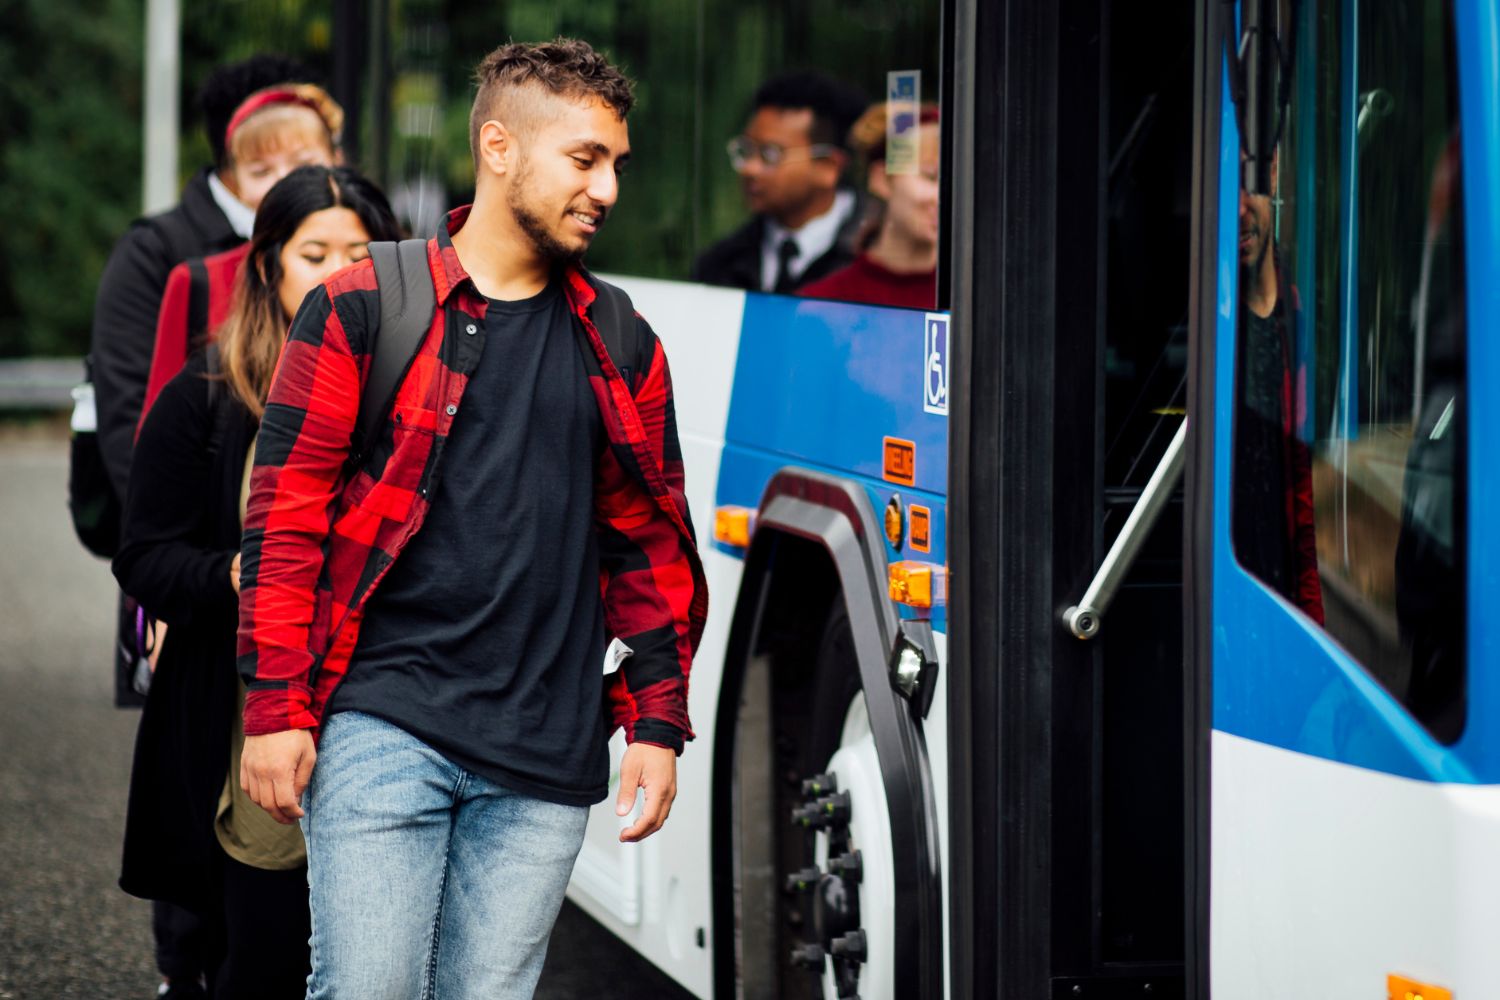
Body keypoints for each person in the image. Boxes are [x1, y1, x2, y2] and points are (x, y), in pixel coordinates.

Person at [236, 38, 708, 998]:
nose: (608, 187)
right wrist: (275, 709)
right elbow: (285, 524)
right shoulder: (365, 306)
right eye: (585, 158)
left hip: (545, 747)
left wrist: (657, 722)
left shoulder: (621, 339)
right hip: (384, 720)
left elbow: (648, 549)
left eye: (617, 162)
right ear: (499, 148)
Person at [114, 166, 403, 999]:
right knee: (265, 953)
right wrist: (236, 573)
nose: (343, 272)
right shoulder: (206, 394)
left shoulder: (427, 397)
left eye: (364, 252)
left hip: (390, 719)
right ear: (270, 266)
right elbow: (145, 558)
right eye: (317, 253)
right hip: (254, 731)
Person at [141, 84, 344, 422]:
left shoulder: (381, 264)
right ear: (235, 182)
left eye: (304, 162)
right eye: (260, 171)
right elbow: (159, 429)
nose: (283, 180)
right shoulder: (197, 281)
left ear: (337, 162)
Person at [1231, 153, 1324, 623]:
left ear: (1272, 173)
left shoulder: (1298, 312)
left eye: (1246, 182)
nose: (1239, 207)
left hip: (1282, 601)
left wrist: (1312, 617)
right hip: (1229, 594)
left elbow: (1302, 485)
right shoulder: (1214, 321)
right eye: (1225, 188)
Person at [691, 71, 867, 293]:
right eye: (746, 150)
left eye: (770, 154)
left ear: (827, 167)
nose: (750, 168)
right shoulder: (719, 264)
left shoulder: (872, 259)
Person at [799, 102, 941, 309]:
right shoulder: (824, 301)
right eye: (930, 176)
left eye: (959, 182)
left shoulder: (980, 296)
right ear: (882, 179)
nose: (944, 195)